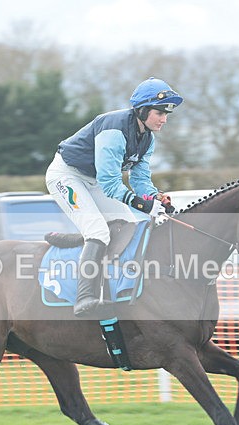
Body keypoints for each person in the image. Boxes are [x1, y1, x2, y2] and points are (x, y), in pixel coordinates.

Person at [46, 77, 183, 317]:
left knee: (127, 226)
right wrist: (142, 204)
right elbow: (111, 183)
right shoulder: (114, 129)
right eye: (160, 112)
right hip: (66, 176)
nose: (164, 119)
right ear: (142, 110)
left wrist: (154, 198)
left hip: (95, 180)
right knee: (98, 231)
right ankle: (84, 296)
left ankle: (90, 255)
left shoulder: (147, 138)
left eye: (167, 113)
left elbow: (140, 180)